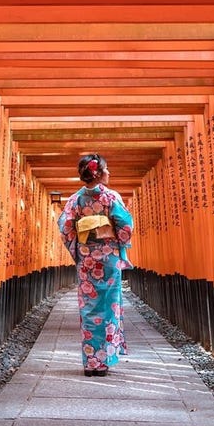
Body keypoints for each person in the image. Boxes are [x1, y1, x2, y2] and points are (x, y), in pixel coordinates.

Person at [57, 154, 135, 377]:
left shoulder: (75, 200)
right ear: (98, 174)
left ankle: (91, 361)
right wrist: (119, 244)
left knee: (89, 307)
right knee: (109, 304)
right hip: (108, 257)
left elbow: (66, 227)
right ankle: (105, 359)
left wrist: (79, 250)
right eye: (107, 169)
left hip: (87, 259)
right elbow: (125, 226)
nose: (109, 173)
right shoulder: (110, 197)